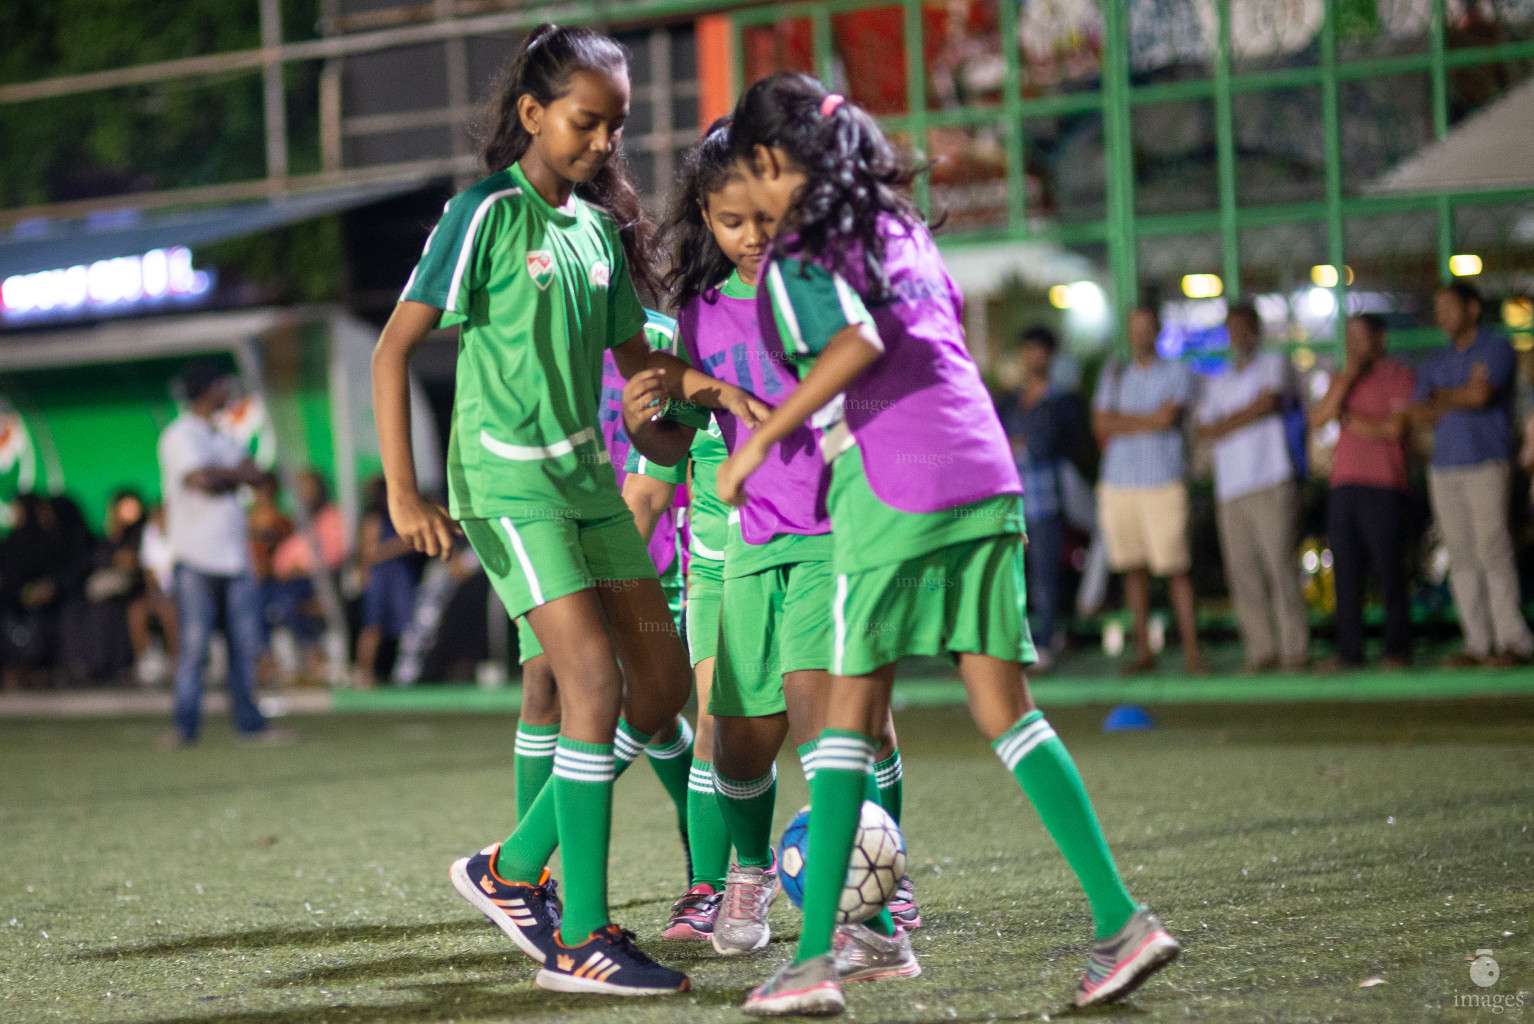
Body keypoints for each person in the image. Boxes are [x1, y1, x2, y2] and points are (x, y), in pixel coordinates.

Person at [712, 73, 1177, 1016]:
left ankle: (811, 964)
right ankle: (1120, 923)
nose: (750, 215)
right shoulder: (899, 226)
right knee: (1007, 708)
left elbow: (853, 353)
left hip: (893, 484)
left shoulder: (804, 253)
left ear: (769, 163)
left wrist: (760, 438)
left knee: (844, 720)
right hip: (984, 471)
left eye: (748, 181)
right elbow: (940, 333)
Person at [369, 24, 766, 997]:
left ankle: (509, 869)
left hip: (586, 480)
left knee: (662, 687)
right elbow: (391, 351)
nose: (602, 143)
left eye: (616, 127)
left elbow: (652, 411)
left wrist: (671, 416)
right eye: (586, 123)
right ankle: (579, 935)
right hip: (505, 484)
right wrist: (403, 489)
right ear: (533, 113)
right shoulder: (483, 215)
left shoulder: (596, 235)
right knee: (583, 681)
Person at [624, 118, 914, 960]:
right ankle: (748, 870)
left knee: (836, 735)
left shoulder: (826, 295)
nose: (752, 237)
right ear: (706, 222)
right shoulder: (697, 316)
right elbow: (672, 443)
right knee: (739, 740)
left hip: (831, 538)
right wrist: (651, 423)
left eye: (767, 217)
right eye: (731, 221)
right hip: (747, 549)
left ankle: (873, 914)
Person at [156, 360, 287, 746]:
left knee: (244, 645)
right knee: (194, 646)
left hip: (234, 556)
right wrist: (236, 476)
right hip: (196, 556)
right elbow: (202, 480)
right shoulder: (180, 434)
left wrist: (230, 475)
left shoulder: (224, 435)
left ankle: (249, 724)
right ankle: (185, 726)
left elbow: (261, 475)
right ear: (207, 389)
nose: (228, 392)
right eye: (221, 385)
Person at [1411, 283, 1534, 668]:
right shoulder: (1435, 359)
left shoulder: (1495, 348)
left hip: (1487, 462)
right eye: (1438, 307)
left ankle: (1513, 640)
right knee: (1460, 555)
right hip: (1443, 466)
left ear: (1473, 309)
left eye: (1449, 306)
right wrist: (1460, 392)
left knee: (1492, 549)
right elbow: (1419, 412)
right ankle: (1477, 643)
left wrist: (1443, 397)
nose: (1441, 314)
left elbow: (1481, 397)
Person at [1091, 306, 1207, 675]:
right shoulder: (1114, 371)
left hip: (1163, 481)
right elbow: (1101, 424)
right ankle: (1144, 653)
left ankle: (1192, 654)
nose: (1139, 334)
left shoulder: (1176, 371)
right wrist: (1149, 420)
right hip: (1120, 482)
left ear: (1158, 331)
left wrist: (1123, 421)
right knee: (1133, 569)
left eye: (1146, 327)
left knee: (1176, 567)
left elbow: (1168, 418)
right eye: (1133, 327)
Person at [1195, 303, 1311, 672]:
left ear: (1256, 330)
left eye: (1243, 327)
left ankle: (1295, 648)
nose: (1237, 335)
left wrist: (1225, 426)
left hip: (1271, 477)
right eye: (1231, 328)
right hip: (1230, 488)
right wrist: (1239, 419)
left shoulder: (1273, 364)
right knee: (1243, 572)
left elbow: (1268, 403)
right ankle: (1261, 650)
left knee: (1280, 564)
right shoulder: (1219, 380)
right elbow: (1203, 428)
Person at [1309, 314, 1416, 670]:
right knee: (1346, 572)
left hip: (1383, 485)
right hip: (1343, 485)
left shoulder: (1398, 376)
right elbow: (1318, 418)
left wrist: (1350, 420)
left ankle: (1397, 649)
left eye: (1360, 337)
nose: (1353, 345)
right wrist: (1347, 381)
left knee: (1388, 570)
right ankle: (1349, 651)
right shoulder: (1343, 379)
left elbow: (1393, 430)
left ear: (1379, 339)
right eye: (1348, 337)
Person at [995, 325, 1092, 669]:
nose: (1032, 357)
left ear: (1050, 355)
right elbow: (997, 443)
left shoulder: (1062, 400)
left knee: (1045, 574)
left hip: (1048, 499)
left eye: (1039, 350)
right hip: (1010, 503)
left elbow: (1055, 443)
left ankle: (1047, 642)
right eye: (1027, 350)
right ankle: (1016, 644)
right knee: (1011, 576)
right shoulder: (1009, 400)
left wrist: (1025, 444)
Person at [353, 477, 418, 688]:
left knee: (407, 625)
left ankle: (405, 671)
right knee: (373, 628)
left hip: (398, 575)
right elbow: (369, 553)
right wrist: (401, 545)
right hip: (381, 577)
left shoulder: (399, 517)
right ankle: (364, 674)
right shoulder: (374, 518)